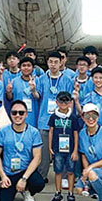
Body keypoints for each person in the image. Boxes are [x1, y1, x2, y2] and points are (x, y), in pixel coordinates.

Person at [0, 100, 46, 201]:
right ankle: (12, 188)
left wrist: (24, 178)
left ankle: (26, 190)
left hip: (25, 171)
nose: (18, 115)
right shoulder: (3, 132)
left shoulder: (33, 132)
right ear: (10, 114)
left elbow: (37, 158)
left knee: (39, 183)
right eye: (14, 113)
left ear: (26, 114)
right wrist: (3, 176)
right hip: (9, 172)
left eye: (21, 113)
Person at [37, 51, 75, 180]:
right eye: (50, 62)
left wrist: (69, 118)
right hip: (44, 121)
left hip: (62, 121)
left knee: (63, 150)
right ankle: (42, 176)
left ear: (61, 63)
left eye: (56, 62)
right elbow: (37, 96)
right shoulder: (41, 79)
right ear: (47, 62)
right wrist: (32, 89)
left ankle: (64, 177)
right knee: (44, 152)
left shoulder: (67, 80)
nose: (53, 65)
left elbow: (70, 101)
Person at [47, 91, 83, 201]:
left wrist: (75, 150)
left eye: (66, 101)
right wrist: (49, 147)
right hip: (58, 149)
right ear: (56, 102)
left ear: (70, 103)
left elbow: (76, 134)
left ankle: (70, 194)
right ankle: (58, 193)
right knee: (58, 171)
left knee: (70, 171)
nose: (63, 103)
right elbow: (51, 131)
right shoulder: (53, 116)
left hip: (70, 149)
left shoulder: (72, 118)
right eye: (61, 101)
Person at [6, 56, 40, 128]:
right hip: (18, 116)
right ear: (20, 67)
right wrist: (8, 92)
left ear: (33, 68)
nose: (26, 68)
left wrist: (33, 90)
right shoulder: (14, 81)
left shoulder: (38, 80)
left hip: (33, 117)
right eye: (24, 66)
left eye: (29, 65)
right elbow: (10, 98)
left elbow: (38, 97)